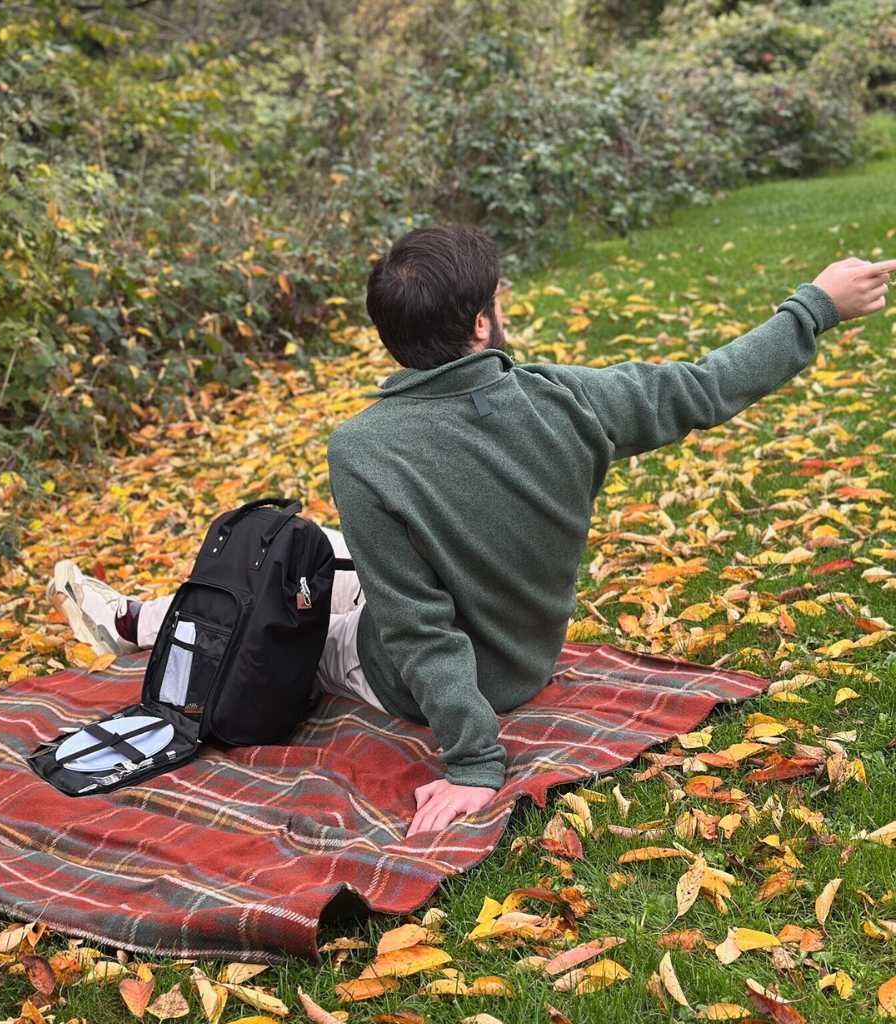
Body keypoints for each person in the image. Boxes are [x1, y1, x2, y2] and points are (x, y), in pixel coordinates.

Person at [49, 224, 893, 839]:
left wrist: (474, 762)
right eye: (497, 296)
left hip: (414, 680)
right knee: (328, 554)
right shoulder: (569, 400)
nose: (503, 304)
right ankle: (134, 617)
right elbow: (709, 386)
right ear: (480, 326)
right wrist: (814, 306)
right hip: (520, 655)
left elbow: (416, 630)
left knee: (278, 584)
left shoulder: (365, 448)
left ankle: (132, 623)